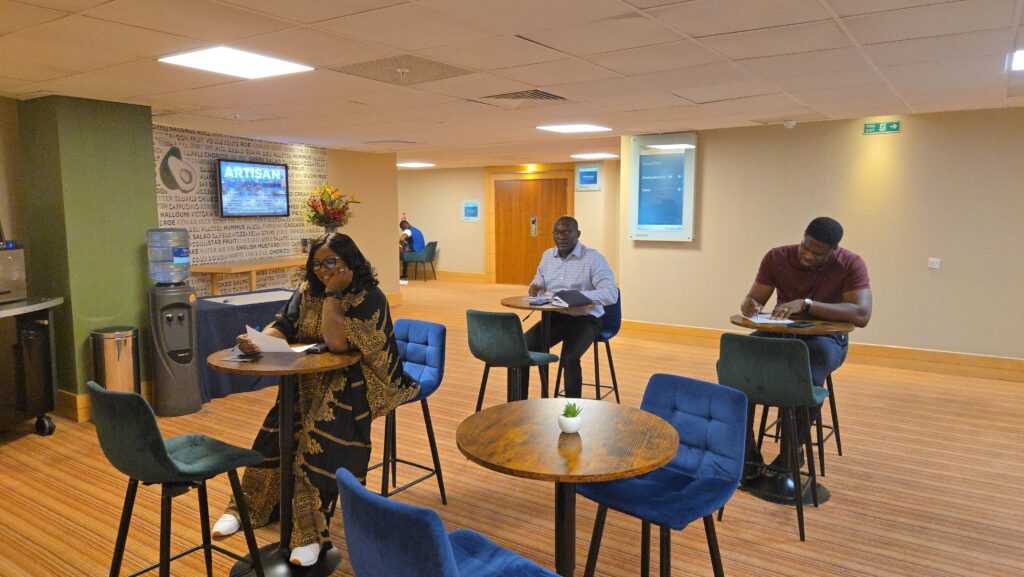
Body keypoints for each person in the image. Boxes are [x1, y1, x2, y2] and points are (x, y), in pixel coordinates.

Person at [212, 233, 419, 566]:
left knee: (317, 441)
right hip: (307, 375)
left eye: (331, 262)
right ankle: (248, 506)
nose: (323, 270)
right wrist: (260, 340)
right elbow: (285, 325)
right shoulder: (308, 290)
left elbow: (337, 343)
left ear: (350, 261)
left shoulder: (369, 296)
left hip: (354, 382)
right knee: (275, 433)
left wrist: (334, 294)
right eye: (317, 264)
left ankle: (310, 534)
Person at [738, 216, 872, 483]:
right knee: (736, 360)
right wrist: (749, 304)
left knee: (807, 370)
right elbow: (754, 298)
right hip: (781, 334)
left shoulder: (851, 264)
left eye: (818, 254)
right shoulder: (777, 257)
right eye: (805, 248)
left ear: (834, 251)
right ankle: (747, 455)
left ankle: (791, 453)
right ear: (802, 237)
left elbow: (862, 314)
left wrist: (807, 304)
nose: (809, 256)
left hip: (826, 339)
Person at [525, 216, 618, 398]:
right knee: (522, 348)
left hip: (586, 319)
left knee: (569, 359)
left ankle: (572, 410)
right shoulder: (547, 256)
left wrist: (579, 297)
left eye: (567, 232)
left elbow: (610, 293)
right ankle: (519, 404)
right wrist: (537, 286)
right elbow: (540, 279)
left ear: (578, 234)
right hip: (556, 318)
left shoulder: (593, 258)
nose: (561, 237)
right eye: (557, 233)